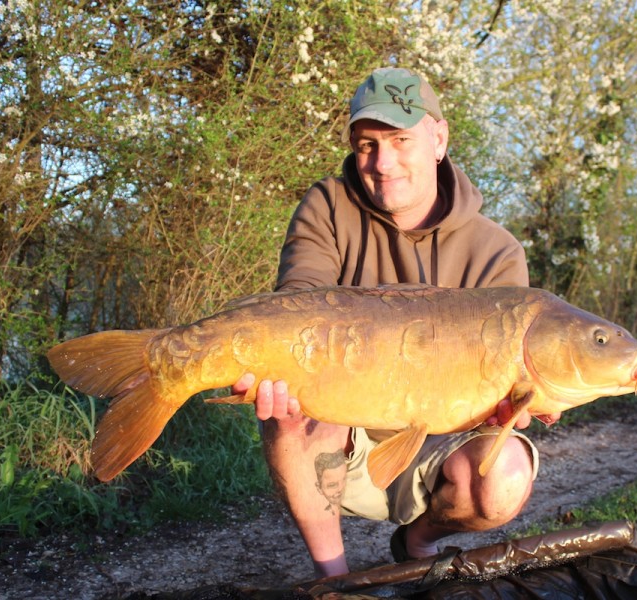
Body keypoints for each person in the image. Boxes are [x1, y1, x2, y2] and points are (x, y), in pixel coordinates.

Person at [232, 67, 560, 578]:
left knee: (504, 475)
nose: (383, 163)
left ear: (439, 139)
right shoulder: (328, 205)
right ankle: (336, 581)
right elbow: (297, 304)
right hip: (342, 428)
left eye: (400, 140)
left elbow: (507, 398)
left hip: (440, 440)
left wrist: (514, 407)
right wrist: (273, 367)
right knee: (288, 409)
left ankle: (417, 540)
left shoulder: (496, 252)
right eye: (367, 145)